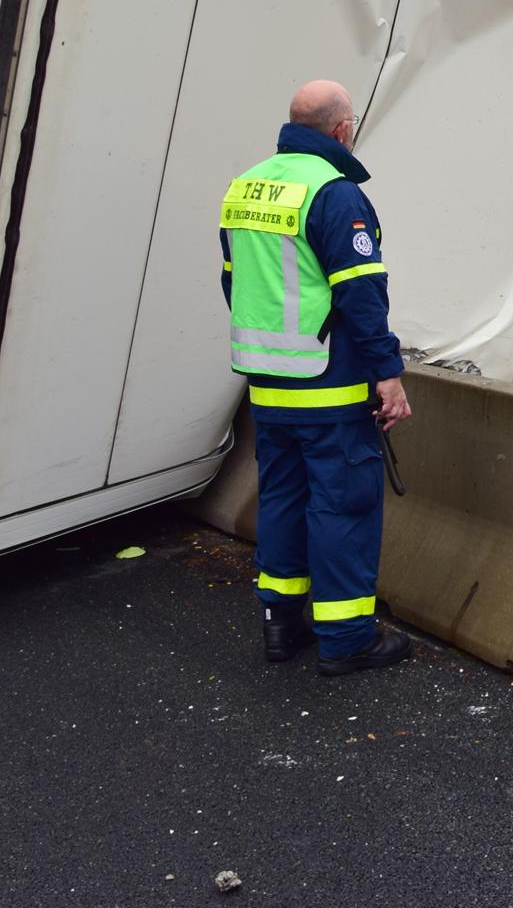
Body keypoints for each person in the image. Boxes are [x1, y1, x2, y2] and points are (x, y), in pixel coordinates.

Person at [220, 79, 414, 676]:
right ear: (340, 130)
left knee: (282, 497)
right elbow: (360, 295)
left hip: (267, 382)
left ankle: (281, 624)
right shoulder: (335, 194)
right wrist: (388, 371)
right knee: (342, 505)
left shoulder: (244, 187)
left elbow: (234, 282)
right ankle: (347, 637)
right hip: (327, 383)